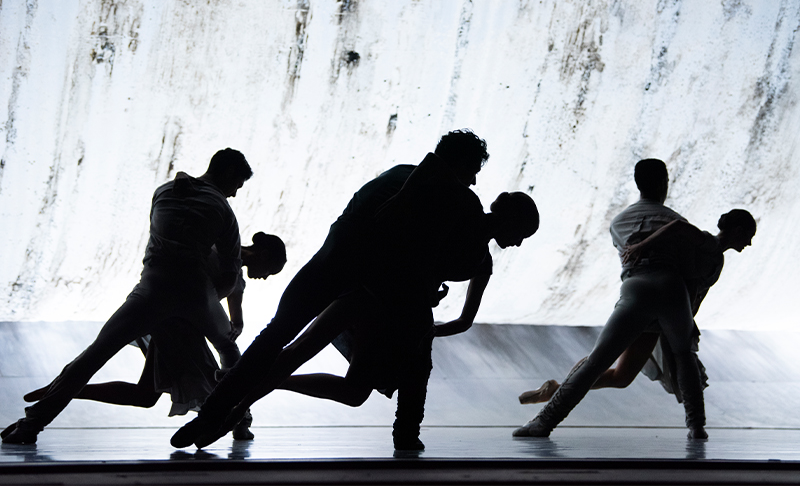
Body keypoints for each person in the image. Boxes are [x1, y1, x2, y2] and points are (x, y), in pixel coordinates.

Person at [170, 130, 497, 449]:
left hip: (330, 262)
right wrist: (420, 289)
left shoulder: (400, 174)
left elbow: (374, 226)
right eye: (472, 171)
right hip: (364, 280)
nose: (474, 181)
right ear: (459, 166)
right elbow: (398, 240)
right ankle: (406, 435)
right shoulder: (445, 197)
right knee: (327, 359)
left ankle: (216, 412)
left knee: (277, 339)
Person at [192, 191, 539, 451]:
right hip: (384, 307)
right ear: (511, 222)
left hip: (363, 291)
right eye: (522, 233)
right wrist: (423, 322)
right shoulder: (477, 255)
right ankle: (241, 397)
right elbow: (462, 320)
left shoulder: (454, 215)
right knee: (341, 381)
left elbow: (398, 242)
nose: (520, 243)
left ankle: (238, 394)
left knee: (308, 358)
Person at [2, 148, 253, 445]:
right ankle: (241, 421)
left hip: (152, 289)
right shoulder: (223, 210)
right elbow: (228, 273)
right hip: (194, 291)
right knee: (228, 350)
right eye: (237, 185)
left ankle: (31, 425)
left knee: (93, 356)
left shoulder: (164, 192)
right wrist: (205, 310)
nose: (235, 193)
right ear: (227, 173)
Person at [512, 158, 713, 440]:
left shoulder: (619, 222)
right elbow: (693, 262)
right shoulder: (676, 220)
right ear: (663, 184)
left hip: (636, 288)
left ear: (637, 183)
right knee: (684, 356)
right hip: (672, 287)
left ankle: (543, 422)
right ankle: (697, 427)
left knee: (597, 361)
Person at [21, 233, 287, 439]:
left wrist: (231, 327)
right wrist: (227, 332)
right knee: (209, 380)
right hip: (176, 328)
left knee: (144, 396)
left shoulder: (231, 268)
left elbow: (234, 317)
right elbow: (225, 319)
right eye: (270, 271)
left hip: (170, 324)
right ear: (263, 255)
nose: (265, 278)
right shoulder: (223, 259)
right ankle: (242, 420)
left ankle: (61, 391)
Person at [518, 209, 756, 405]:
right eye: (749, 235)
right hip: (660, 312)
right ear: (737, 230)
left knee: (621, 376)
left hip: (670, 318)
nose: (750, 243)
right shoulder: (706, 244)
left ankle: (556, 389)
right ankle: (559, 392)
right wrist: (642, 246)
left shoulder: (717, 257)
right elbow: (676, 231)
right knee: (602, 362)